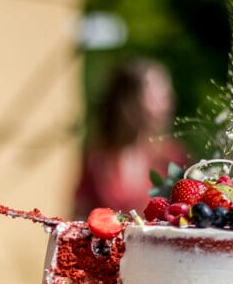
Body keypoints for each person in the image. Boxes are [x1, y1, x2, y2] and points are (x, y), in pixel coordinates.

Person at [73, 57, 189, 216]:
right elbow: (78, 218)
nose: (169, 104)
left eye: (167, 96)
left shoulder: (172, 158)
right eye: (158, 97)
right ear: (127, 101)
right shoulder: (97, 161)